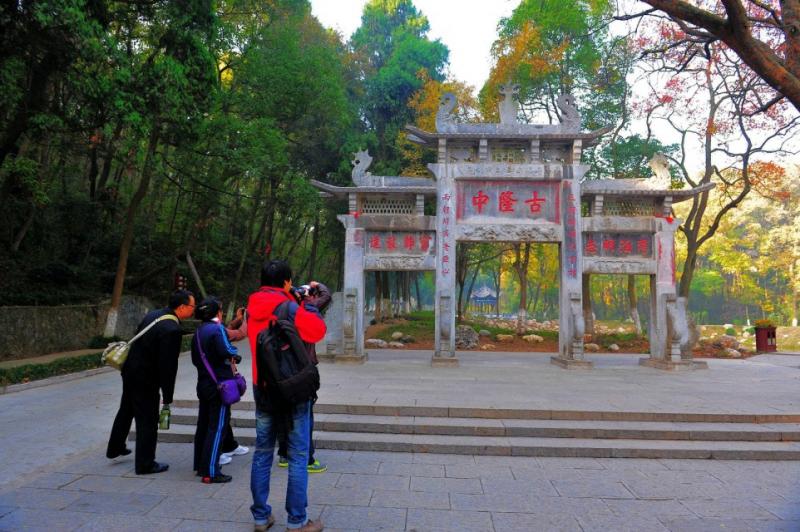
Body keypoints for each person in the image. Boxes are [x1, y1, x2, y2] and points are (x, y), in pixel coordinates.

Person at [248, 260, 326, 532]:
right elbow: (317, 331)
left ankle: (260, 516)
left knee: (262, 452)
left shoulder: (251, 308)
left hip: (263, 389)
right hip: (292, 390)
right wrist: (308, 305)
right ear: (285, 282)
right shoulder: (291, 307)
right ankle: (297, 520)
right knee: (297, 455)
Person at [106, 289, 195, 474]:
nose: (193, 310)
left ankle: (115, 447)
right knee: (147, 419)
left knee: (127, 408)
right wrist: (168, 395)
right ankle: (145, 464)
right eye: (192, 306)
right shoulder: (172, 329)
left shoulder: (155, 315)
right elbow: (168, 366)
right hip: (146, 378)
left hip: (130, 371)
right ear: (182, 307)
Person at [277, 282, 331, 473]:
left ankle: (284, 454)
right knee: (304, 415)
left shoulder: (282, 311)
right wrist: (318, 286)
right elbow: (326, 297)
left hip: (283, 370)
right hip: (303, 371)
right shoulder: (308, 310)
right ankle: (307, 458)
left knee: (285, 413)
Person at [191, 297, 241, 484]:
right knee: (217, 427)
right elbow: (227, 351)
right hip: (219, 384)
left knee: (203, 424)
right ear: (218, 312)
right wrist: (235, 355)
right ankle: (211, 471)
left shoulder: (199, 331)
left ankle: (200, 464)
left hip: (203, 383)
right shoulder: (217, 329)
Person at [219, 306, 249, 465]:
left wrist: (238, 319)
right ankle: (216, 452)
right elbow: (240, 333)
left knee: (224, 415)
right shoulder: (215, 330)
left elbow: (228, 331)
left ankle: (229, 445)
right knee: (218, 419)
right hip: (220, 382)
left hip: (215, 381)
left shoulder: (208, 328)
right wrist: (246, 319)